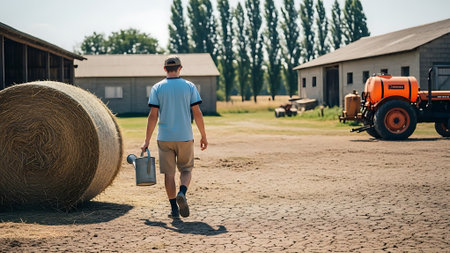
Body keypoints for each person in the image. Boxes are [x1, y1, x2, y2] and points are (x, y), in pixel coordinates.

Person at [141, 55, 208, 219]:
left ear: (165, 69)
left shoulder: (157, 88)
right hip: (185, 136)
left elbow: (152, 116)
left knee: (168, 174)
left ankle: (173, 210)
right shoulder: (190, 86)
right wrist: (203, 136)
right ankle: (182, 192)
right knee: (186, 169)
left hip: (164, 137)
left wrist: (147, 140)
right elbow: (197, 113)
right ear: (180, 68)